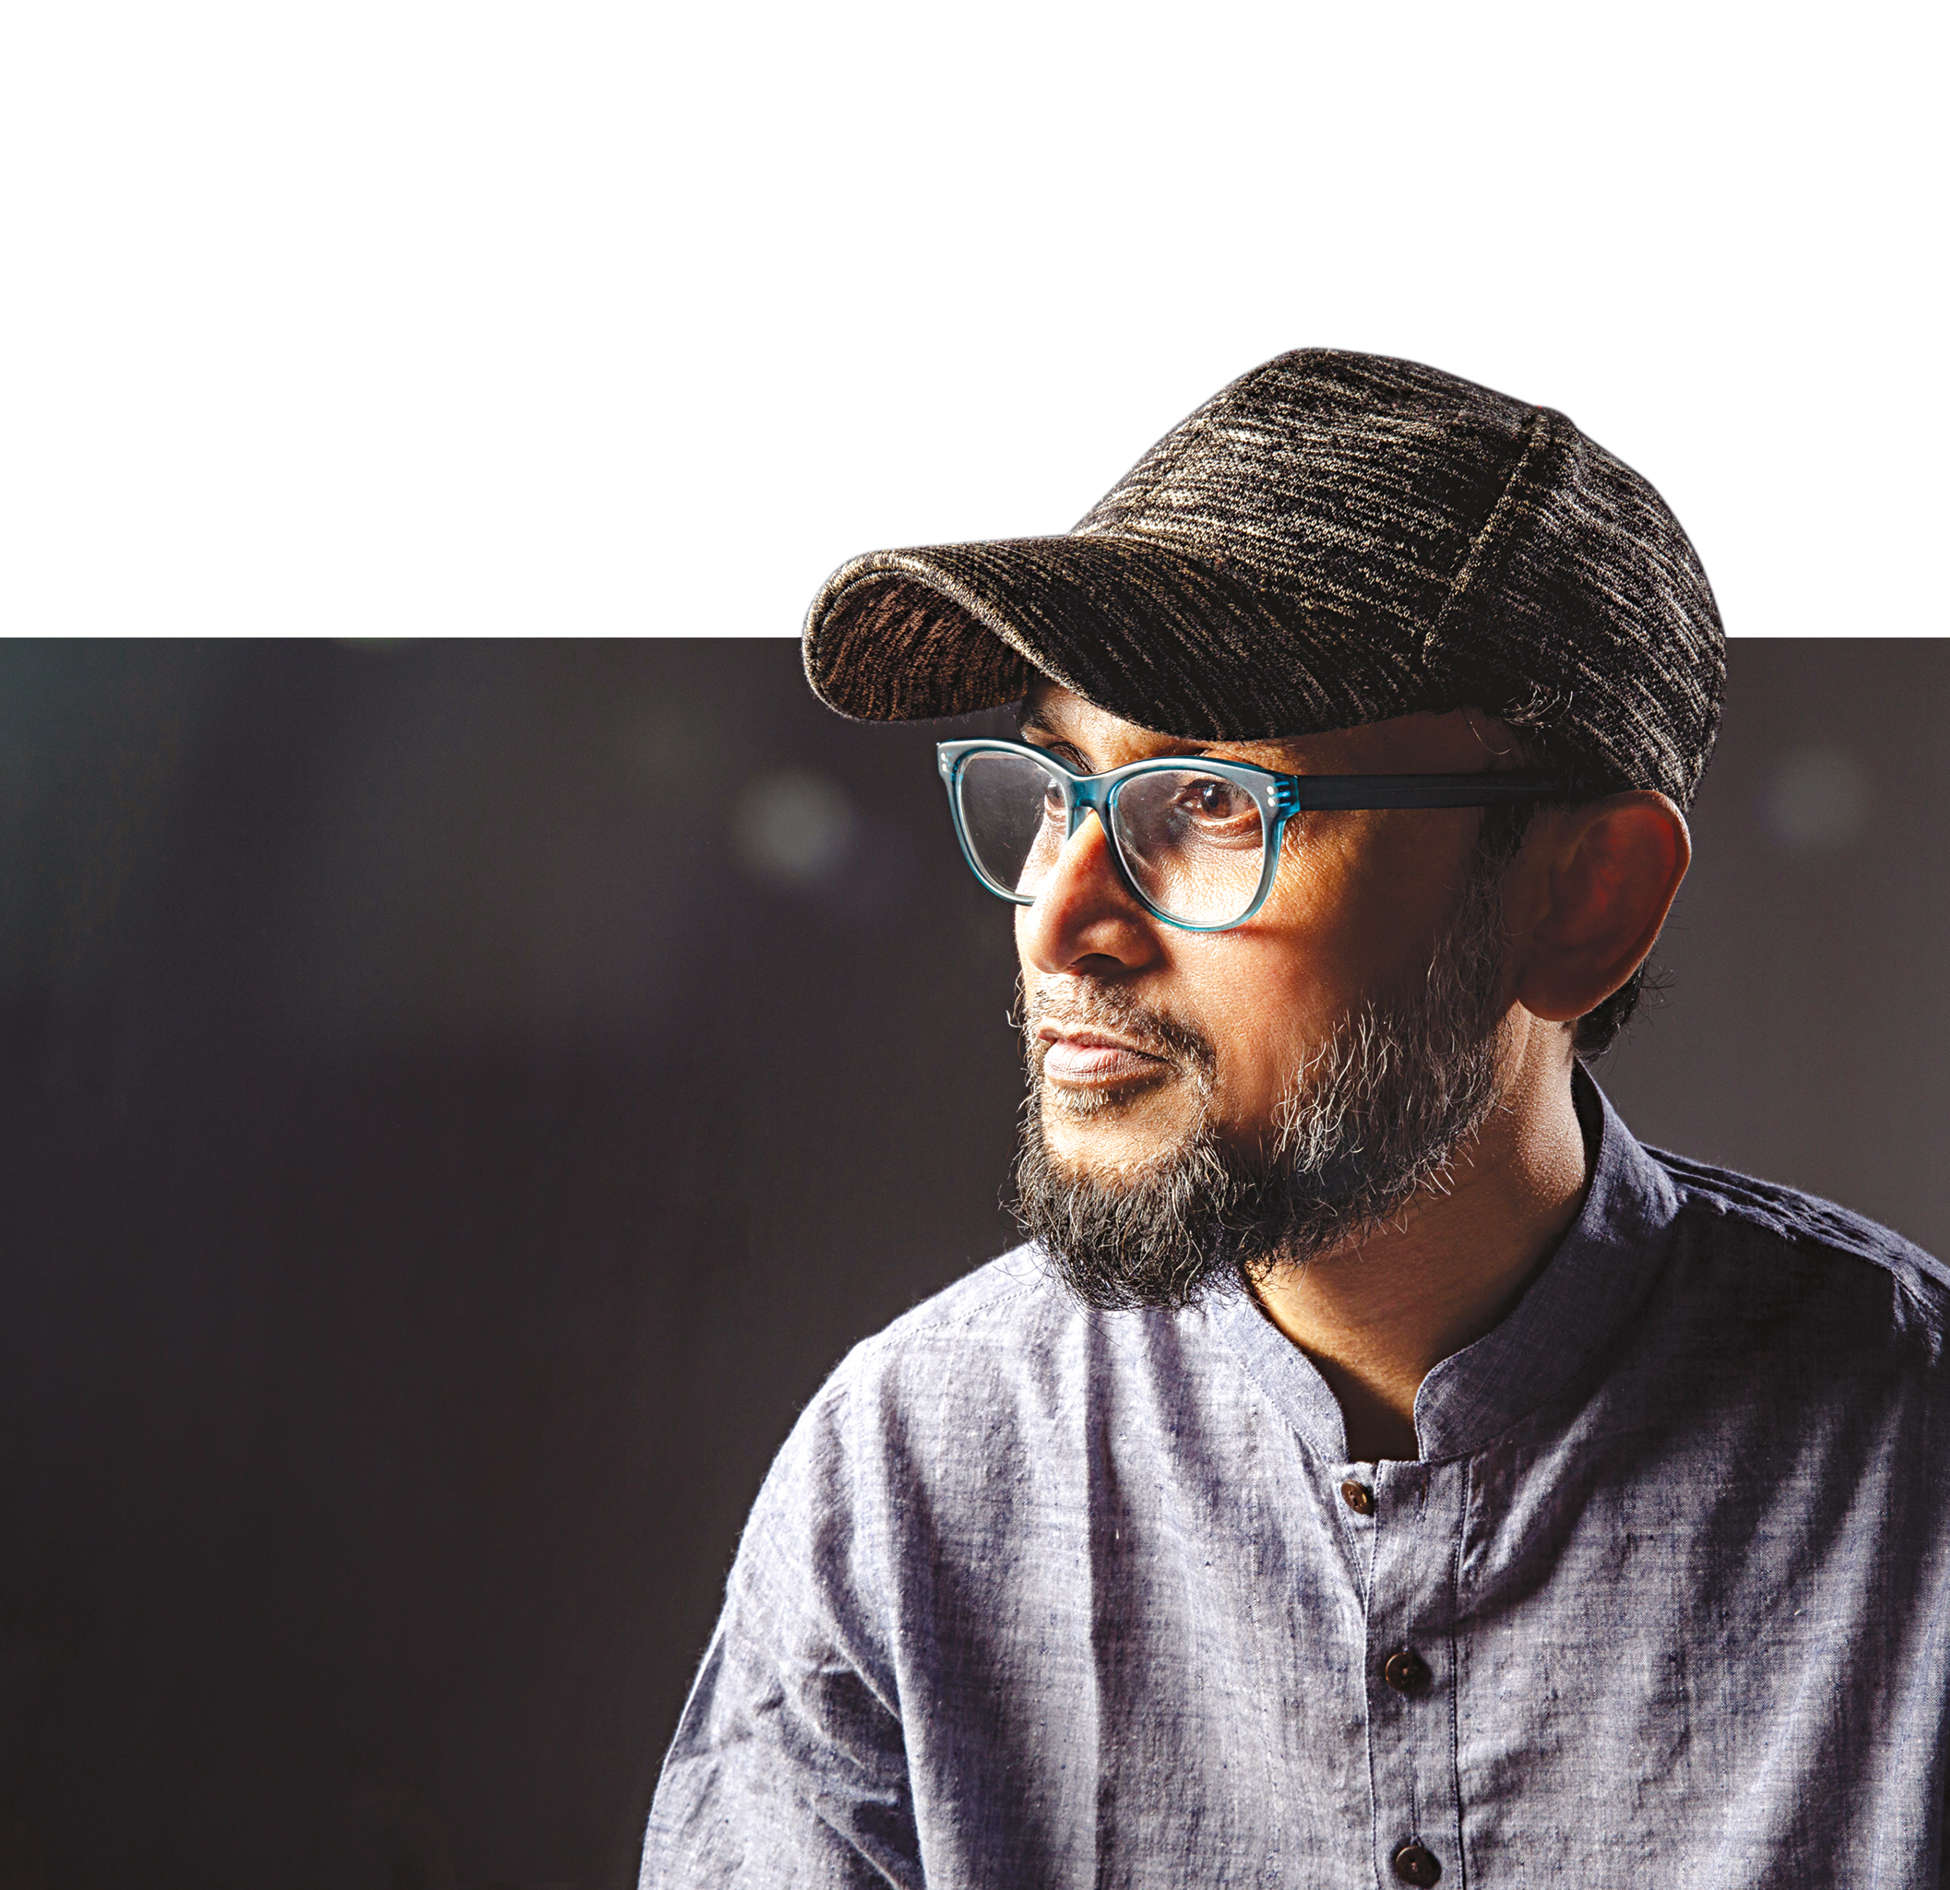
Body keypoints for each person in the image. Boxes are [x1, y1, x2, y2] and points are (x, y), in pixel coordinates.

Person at [640, 351, 1950, 1886]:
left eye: (1209, 801)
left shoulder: (1915, 1469)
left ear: (1580, 901)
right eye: (1060, 785)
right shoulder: (909, 1471)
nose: (1058, 918)